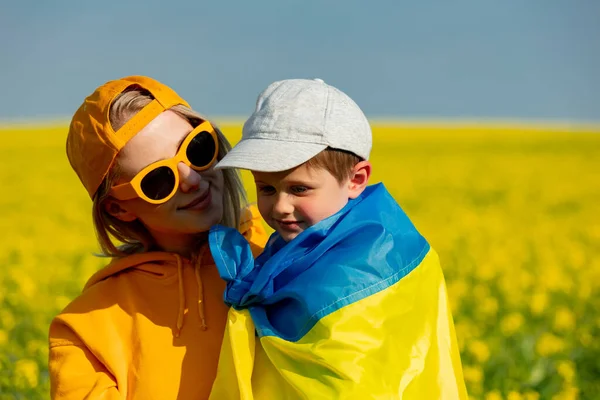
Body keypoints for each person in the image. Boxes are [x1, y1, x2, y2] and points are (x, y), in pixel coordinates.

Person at [207, 78, 468, 399]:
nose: (280, 206)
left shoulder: (370, 265)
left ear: (356, 180)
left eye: (299, 189)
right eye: (266, 189)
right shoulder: (298, 246)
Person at [48, 75, 268, 399]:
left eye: (197, 148)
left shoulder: (290, 251)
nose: (191, 179)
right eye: (158, 180)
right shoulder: (85, 328)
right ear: (119, 209)